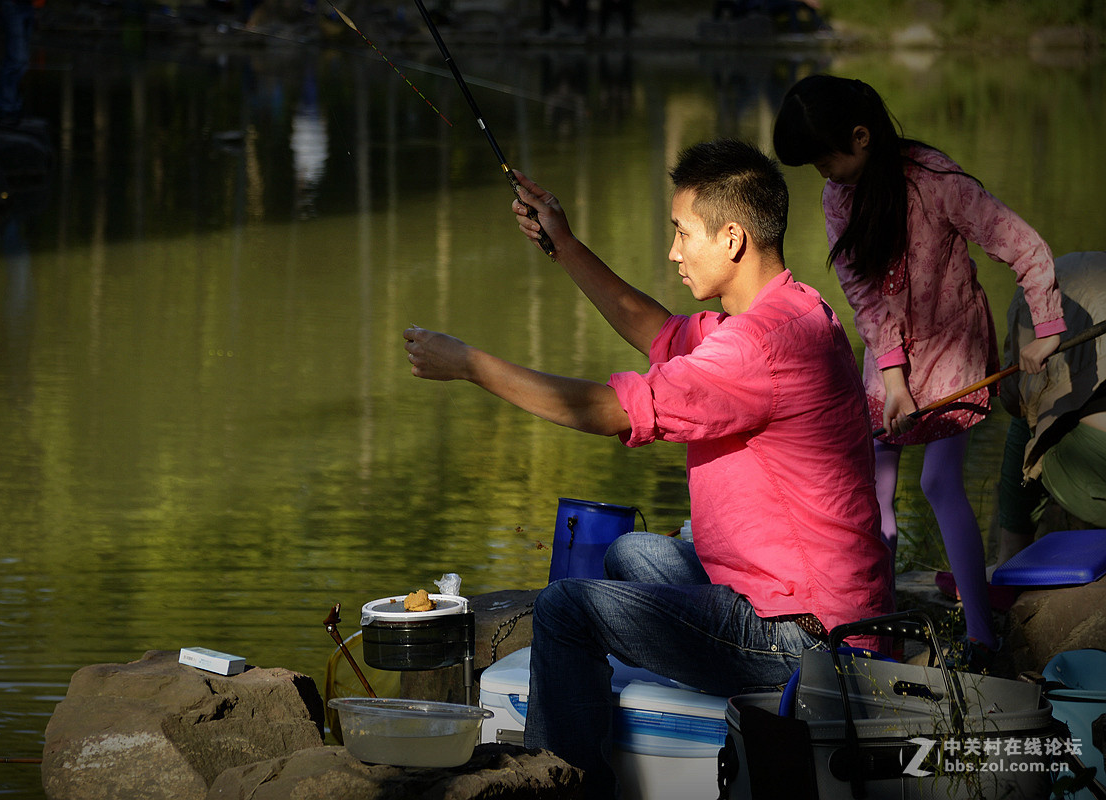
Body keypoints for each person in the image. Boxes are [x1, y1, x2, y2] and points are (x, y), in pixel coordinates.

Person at [403, 139, 894, 797]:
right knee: (633, 552)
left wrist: (471, 366)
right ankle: (602, 730)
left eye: (681, 233)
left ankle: (567, 785)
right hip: (771, 593)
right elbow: (662, 335)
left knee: (564, 609)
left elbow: (612, 409)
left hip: (804, 639)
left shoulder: (760, 348)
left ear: (732, 238)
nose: (672, 251)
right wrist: (565, 245)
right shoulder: (793, 308)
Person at [772, 74, 1066, 663]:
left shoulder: (936, 182)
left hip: (954, 351)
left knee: (936, 483)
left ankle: (982, 633)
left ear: (860, 137)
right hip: (889, 357)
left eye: (826, 159)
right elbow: (863, 295)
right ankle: (873, 629)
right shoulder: (839, 198)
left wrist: (1048, 329)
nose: (823, 177)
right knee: (870, 485)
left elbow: (1024, 245)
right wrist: (893, 378)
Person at [994, 251, 1106, 571]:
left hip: (1092, 474)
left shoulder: (1033, 302)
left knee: (1029, 419)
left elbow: (1012, 401)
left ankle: (1010, 554)